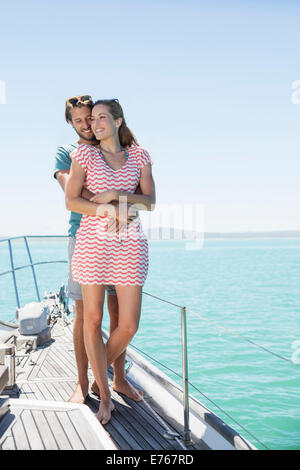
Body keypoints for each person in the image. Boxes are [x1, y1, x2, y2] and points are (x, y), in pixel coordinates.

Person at [65, 99, 156, 425]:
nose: (96, 122)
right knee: (91, 320)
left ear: (118, 121)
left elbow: (150, 202)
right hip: (92, 243)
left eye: (103, 117)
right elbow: (71, 200)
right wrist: (107, 209)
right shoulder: (85, 155)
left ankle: (99, 372)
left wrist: (113, 197)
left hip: (129, 246)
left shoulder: (139, 155)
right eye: (93, 118)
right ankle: (105, 397)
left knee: (128, 324)